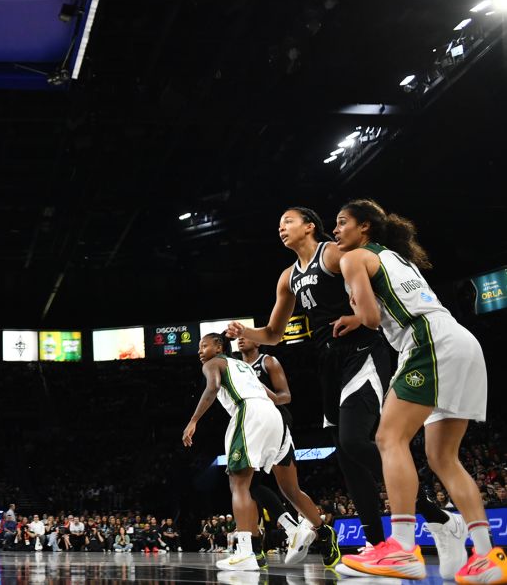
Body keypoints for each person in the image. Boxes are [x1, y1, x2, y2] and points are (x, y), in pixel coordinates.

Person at [225, 207, 465, 570]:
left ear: (310, 226)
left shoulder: (335, 253)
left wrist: (359, 317)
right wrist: (246, 332)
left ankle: (436, 514)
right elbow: (273, 334)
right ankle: (376, 543)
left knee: (355, 441)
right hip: (328, 363)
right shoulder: (287, 277)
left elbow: (378, 288)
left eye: (288, 221)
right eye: (278, 225)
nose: (281, 228)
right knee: (347, 457)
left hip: (363, 350)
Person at [332, 199, 506, 583]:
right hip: (460, 340)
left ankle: (402, 547)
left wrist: (355, 307)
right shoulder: (395, 257)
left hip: (428, 343)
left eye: (342, 222)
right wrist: (357, 312)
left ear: (364, 228)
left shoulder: (353, 259)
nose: (336, 229)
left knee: (388, 436)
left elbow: (373, 318)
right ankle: (486, 557)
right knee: (443, 457)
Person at [183, 333, 293, 572]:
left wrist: (193, 421)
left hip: (249, 411)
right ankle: (287, 531)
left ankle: (245, 552)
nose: (200, 351)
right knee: (252, 483)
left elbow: (211, 388)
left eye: (204, 346)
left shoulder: (214, 363)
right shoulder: (243, 365)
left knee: (238, 483)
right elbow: (275, 397)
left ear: (219, 346)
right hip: (273, 414)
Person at [236, 335, 338, 566]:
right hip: (252, 424)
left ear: (258, 342)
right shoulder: (237, 368)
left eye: (246, 336)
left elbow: (286, 396)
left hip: (274, 422)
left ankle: (320, 532)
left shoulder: (268, 361)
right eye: (238, 337)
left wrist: (262, 390)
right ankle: (258, 547)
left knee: (289, 489)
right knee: (247, 485)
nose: (241, 340)